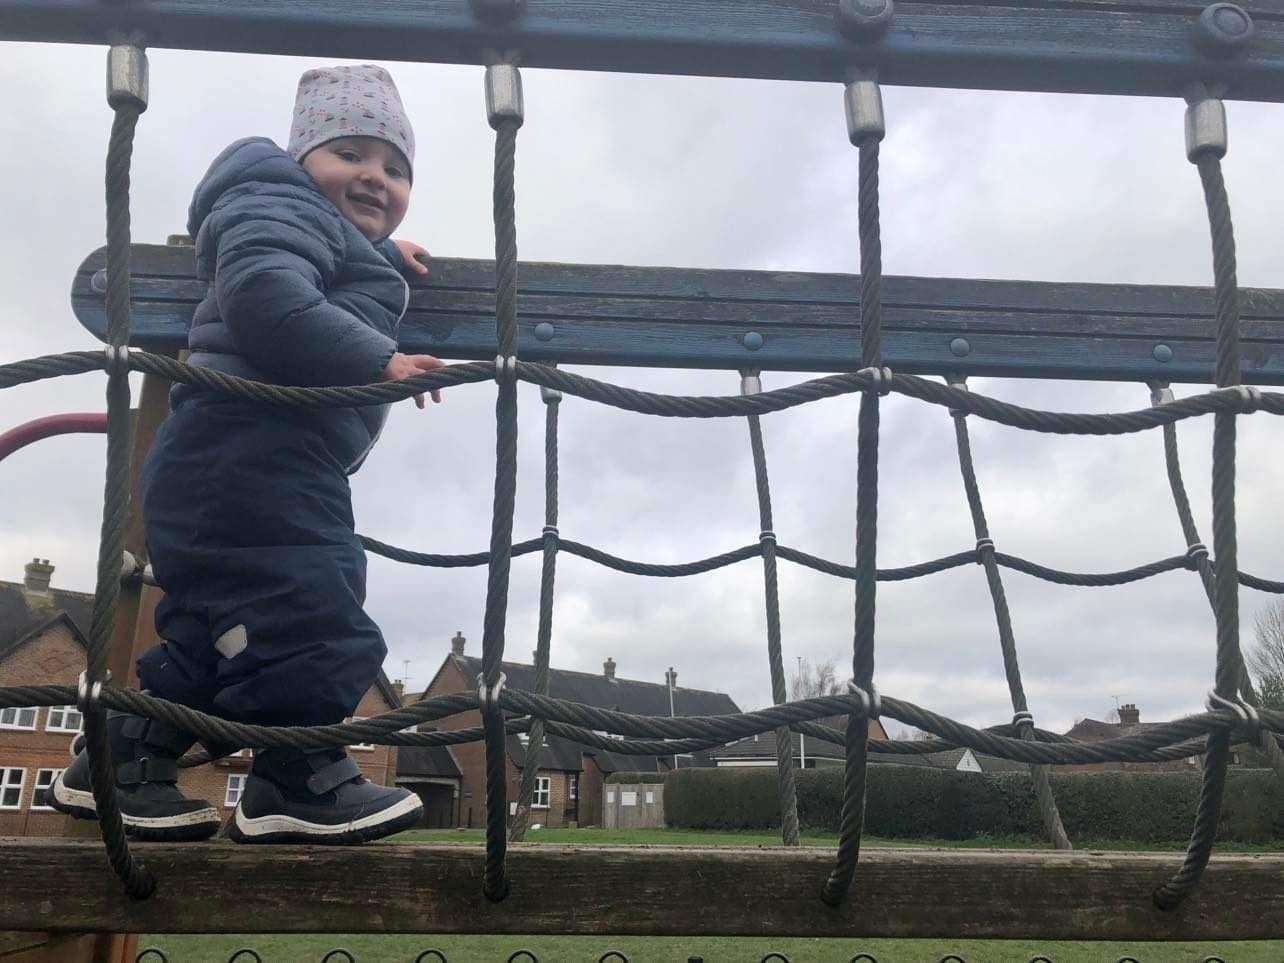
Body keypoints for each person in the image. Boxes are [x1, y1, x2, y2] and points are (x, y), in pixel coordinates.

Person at [52, 64, 440, 844]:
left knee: (216, 636)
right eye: (350, 155)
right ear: (302, 161)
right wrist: (379, 360)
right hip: (246, 458)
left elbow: (317, 266)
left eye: (395, 168)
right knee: (312, 606)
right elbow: (268, 298)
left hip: (235, 467)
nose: (376, 177)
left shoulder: (305, 219)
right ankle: (297, 779)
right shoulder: (267, 204)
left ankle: (117, 762)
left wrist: (386, 259)